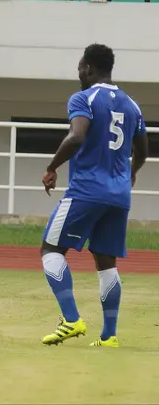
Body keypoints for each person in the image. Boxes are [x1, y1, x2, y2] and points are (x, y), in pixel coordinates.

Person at [39, 43, 149, 348]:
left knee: (50, 250)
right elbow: (143, 151)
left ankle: (71, 319)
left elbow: (76, 136)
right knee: (106, 262)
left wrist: (51, 167)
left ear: (88, 68)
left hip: (87, 190)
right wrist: (132, 172)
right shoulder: (132, 105)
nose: (78, 73)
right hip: (119, 195)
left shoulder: (84, 98)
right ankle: (109, 336)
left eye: (79, 68)